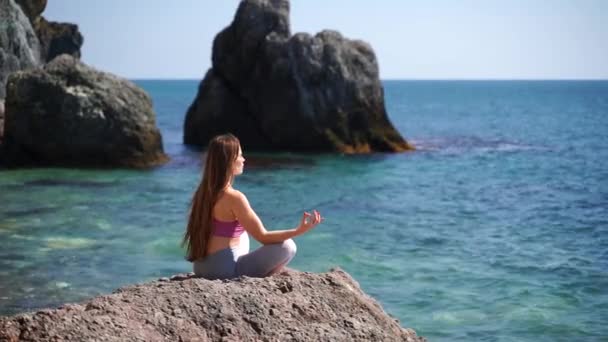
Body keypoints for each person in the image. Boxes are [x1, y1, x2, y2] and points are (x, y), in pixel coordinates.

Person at [182, 133, 323, 279]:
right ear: (229, 161)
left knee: (241, 230)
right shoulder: (234, 197)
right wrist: (298, 231)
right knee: (288, 246)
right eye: (240, 155)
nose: (244, 160)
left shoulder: (203, 193)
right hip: (223, 270)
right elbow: (263, 237)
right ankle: (265, 275)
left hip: (201, 267)